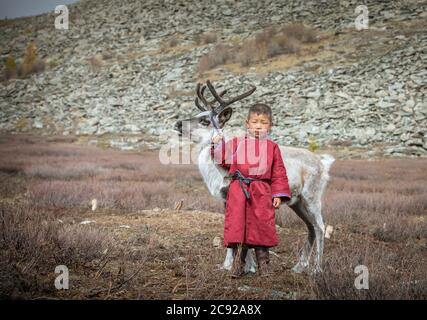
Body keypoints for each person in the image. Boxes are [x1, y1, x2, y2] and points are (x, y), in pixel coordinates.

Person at [210, 103, 291, 278]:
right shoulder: (237, 143)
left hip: (261, 192)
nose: (258, 126)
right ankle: (238, 266)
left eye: (263, 122)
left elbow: (279, 172)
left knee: (261, 227)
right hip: (239, 191)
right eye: (255, 122)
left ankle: (264, 266)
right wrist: (216, 145)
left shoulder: (272, 147)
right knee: (239, 228)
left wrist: (278, 193)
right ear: (247, 123)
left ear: (270, 126)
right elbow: (223, 159)